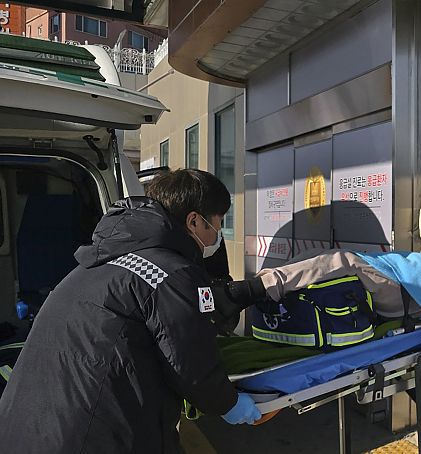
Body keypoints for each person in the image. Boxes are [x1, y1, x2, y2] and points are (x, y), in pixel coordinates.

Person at [0, 169, 261, 453]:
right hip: (87, 437)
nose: (217, 236)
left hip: (27, 425)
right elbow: (191, 367)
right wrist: (229, 404)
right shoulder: (173, 273)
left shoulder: (101, 261)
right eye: (218, 223)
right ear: (194, 221)